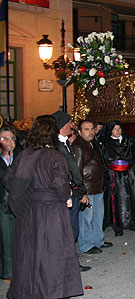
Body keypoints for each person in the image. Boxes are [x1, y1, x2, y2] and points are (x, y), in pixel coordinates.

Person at [3, 116, 83, 299]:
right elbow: (59, 183)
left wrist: (28, 195)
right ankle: (52, 291)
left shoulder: (25, 154)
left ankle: (30, 291)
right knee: (52, 253)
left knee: (30, 252)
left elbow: (9, 179)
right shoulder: (54, 156)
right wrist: (67, 196)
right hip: (51, 211)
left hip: (29, 211)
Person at [52, 111, 90, 273]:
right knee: (68, 229)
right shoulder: (57, 146)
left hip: (75, 191)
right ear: (62, 126)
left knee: (72, 228)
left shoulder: (65, 143)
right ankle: (66, 262)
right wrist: (76, 190)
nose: (72, 125)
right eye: (69, 123)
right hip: (68, 193)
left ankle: (70, 260)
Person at [73, 120, 112, 255]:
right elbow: (76, 170)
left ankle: (98, 240)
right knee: (86, 218)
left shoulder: (93, 144)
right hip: (87, 188)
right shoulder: (78, 146)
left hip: (97, 186)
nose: (90, 132)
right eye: (86, 129)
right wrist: (81, 190)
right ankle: (87, 244)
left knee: (97, 216)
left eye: (92, 129)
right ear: (79, 132)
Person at [101, 120, 135, 236]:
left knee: (133, 198)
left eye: (119, 128)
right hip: (115, 175)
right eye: (115, 129)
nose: (117, 131)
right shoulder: (106, 142)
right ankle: (118, 226)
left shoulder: (128, 140)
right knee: (118, 201)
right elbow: (105, 159)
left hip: (129, 173)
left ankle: (132, 222)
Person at [0, 126, 19, 280]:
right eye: (4, 138)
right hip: (2, 204)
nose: (9, 142)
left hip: (19, 203)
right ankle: (8, 272)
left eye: (12, 138)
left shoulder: (20, 156)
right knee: (6, 239)